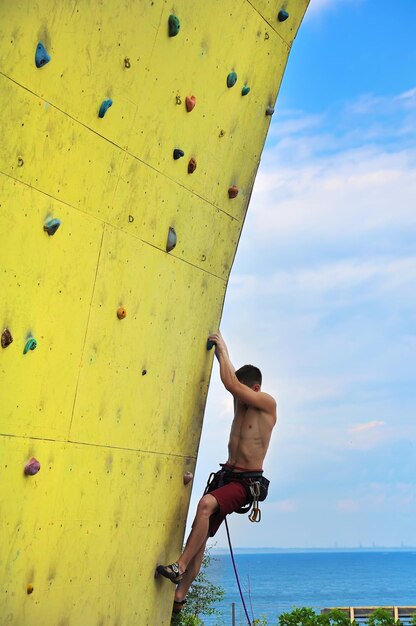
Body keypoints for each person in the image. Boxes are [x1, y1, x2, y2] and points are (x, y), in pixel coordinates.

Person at [156, 331, 277, 615]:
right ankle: (180, 597)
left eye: (245, 393)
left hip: (247, 482)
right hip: (227, 475)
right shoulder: (241, 402)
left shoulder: (267, 405)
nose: (239, 400)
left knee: (206, 505)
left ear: (255, 389)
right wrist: (223, 356)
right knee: (200, 539)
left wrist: (222, 348)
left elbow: (231, 383)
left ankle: (179, 568)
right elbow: (232, 382)